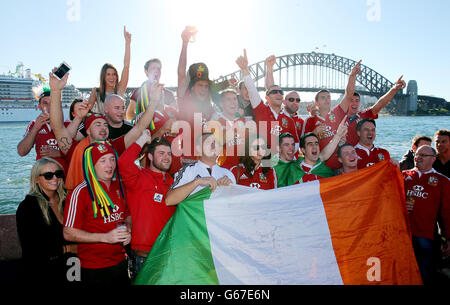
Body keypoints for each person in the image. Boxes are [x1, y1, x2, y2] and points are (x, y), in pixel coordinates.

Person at [48, 68, 160, 191]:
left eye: (105, 125)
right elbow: (58, 127)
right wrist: (55, 91)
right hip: (84, 201)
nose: (103, 127)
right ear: (88, 131)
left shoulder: (112, 148)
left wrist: (154, 101)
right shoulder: (74, 148)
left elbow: (139, 128)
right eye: (97, 124)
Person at [63, 142, 131, 285]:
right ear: (92, 165)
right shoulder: (80, 192)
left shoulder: (120, 186)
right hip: (93, 268)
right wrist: (105, 237)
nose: (110, 165)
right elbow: (68, 233)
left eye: (112, 159)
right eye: (103, 160)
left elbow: (127, 215)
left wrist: (128, 228)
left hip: (120, 262)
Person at [117, 131, 176, 278]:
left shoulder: (172, 181)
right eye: (161, 153)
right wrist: (142, 139)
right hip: (145, 255)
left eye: (169, 154)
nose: (166, 157)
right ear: (150, 156)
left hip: (168, 251)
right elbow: (123, 162)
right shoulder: (138, 177)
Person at [16, 157, 77, 284]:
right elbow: (31, 247)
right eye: (48, 175)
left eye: (58, 174)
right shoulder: (28, 206)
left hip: (72, 266)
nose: (55, 178)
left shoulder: (68, 200)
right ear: (37, 179)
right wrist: (68, 249)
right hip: (43, 270)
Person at [236, 50, 299, 154]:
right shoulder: (261, 110)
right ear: (267, 98)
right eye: (274, 92)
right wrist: (244, 69)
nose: (278, 94)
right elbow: (251, 89)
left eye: (280, 92)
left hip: (284, 165)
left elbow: (296, 145)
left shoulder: (289, 120)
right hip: (265, 163)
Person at [402, 145, 450, 284]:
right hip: (403, 234)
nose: (418, 157)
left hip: (426, 236)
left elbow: (447, 212)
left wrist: (448, 238)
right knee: (403, 271)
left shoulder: (443, 181)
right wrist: (401, 204)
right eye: (417, 154)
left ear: (433, 159)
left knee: (424, 274)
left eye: (423, 155)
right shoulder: (403, 176)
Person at [165, 132, 236, 206]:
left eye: (215, 143)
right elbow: (169, 200)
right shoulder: (187, 170)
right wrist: (196, 182)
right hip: (196, 217)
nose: (213, 145)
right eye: (208, 142)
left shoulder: (228, 174)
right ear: (198, 149)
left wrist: (230, 190)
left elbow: (234, 206)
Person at [275, 117, 347, 187]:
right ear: (303, 150)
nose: (314, 147)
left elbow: (324, 155)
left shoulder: (326, 171)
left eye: (316, 143)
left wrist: (338, 135)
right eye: (310, 144)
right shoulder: (292, 169)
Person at [17, 87, 70, 173]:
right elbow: (21, 152)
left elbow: (80, 153)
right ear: (39, 106)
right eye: (45, 103)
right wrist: (36, 128)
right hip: (43, 176)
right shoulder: (34, 124)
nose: (49, 107)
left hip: (64, 176)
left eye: (53, 103)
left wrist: (59, 153)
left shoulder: (68, 124)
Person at [88, 26, 131, 115]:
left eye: (114, 74)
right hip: (104, 128)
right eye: (108, 74)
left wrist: (127, 43)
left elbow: (126, 66)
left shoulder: (120, 89)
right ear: (103, 76)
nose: (112, 77)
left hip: (120, 127)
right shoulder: (96, 92)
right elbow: (88, 111)